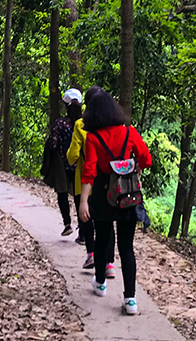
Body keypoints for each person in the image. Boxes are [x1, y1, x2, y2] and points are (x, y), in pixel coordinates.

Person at [78, 89, 152, 316]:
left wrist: (83, 202)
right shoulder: (129, 132)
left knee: (102, 240)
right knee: (126, 246)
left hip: (102, 195)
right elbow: (146, 158)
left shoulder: (93, 137)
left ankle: (100, 283)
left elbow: (89, 171)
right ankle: (130, 300)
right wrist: (133, 171)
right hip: (128, 195)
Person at [66, 86, 114, 276]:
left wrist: (70, 160)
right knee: (108, 222)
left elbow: (73, 154)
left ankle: (92, 253)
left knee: (85, 217)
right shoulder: (112, 125)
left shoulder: (81, 124)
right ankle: (109, 263)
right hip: (106, 180)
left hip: (83, 179)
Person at [41, 89, 82, 236]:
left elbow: (52, 143)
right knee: (79, 196)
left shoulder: (60, 124)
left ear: (65, 106)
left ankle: (67, 223)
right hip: (80, 165)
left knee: (62, 193)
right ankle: (83, 230)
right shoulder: (85, 124)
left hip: (63, 164)